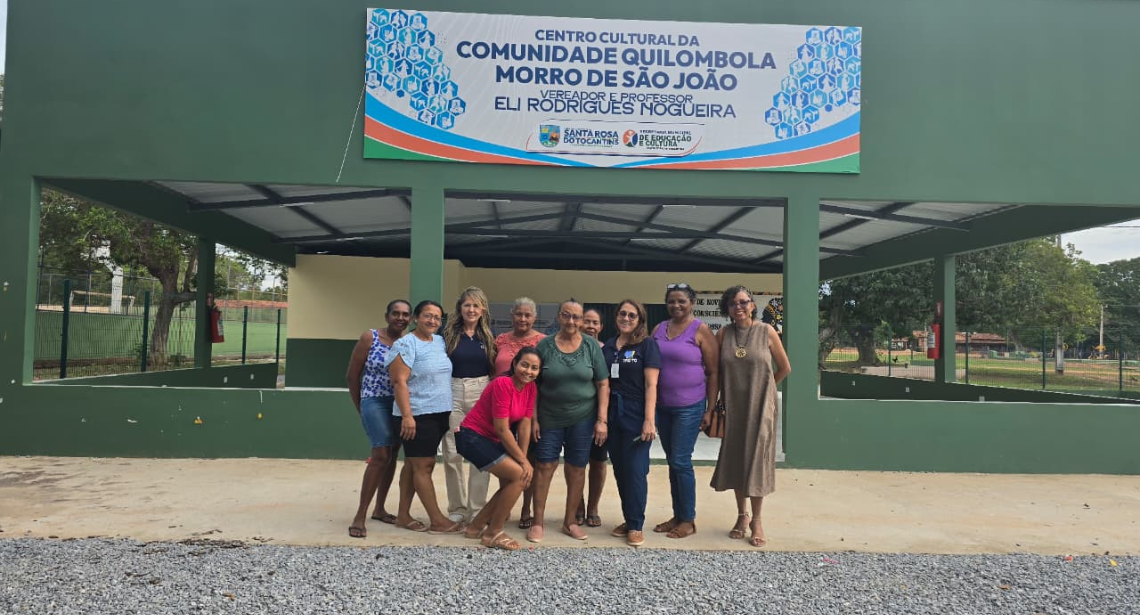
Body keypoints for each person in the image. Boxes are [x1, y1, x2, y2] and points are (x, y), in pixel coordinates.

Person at [709, 286, 791, 548]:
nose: (739, 307)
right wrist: (713, 405)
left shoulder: (767, 331)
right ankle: (741, 515)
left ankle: (757, 519)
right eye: (733, 303)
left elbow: (785, 367)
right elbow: (715, 372)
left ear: (753, 305)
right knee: (737, 457)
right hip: (733, 406)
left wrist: (766, 389)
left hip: (761, 406)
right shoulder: (723, 334)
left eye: (743, 302)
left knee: (757, 459)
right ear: (727, 308)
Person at [529, 299, 609, 542]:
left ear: (582, 320)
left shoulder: (591, 346)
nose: (571, 321)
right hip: (549, 417)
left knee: (576, 468)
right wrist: (533, 419)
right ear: (559, 317)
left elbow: (602, 384)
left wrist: (602, 420)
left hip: (583, 418)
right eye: (566, 315)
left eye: (576, 317)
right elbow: (533, 385)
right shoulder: (544, 345)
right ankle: (538, 522)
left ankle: (570, 521)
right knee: (544, 466)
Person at [385, 300, 463, 534]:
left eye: (437, 317)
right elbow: (399, 382)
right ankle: (437, 520)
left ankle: (403, 515)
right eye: (427, 316)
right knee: (424, 466)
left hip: (439, 414)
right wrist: (407, 417)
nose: (432, 321)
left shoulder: (438, 341)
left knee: (412, 464)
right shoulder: (405, 344)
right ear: (416, 318)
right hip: (417, 415)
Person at [650, 283, 719, 539]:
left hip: (689, 407)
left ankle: (688, 519)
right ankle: (678, 515)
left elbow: (714, 372)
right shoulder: (658, 329)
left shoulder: (701, 330)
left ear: (692, 302)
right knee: (673, 462)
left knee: (680, 460)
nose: (676, 305)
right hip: (662, 407)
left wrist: (710, 409)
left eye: (682, 301)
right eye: (671, 301)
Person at [455, 347, 541, 550]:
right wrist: (523, 462)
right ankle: (493, 532)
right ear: (515, 364)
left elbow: (525, 424)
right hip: (472, 437)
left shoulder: (530, 388)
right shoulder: (503, 384)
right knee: (519, 476)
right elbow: (502, 429)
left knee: (517, 477)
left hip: (490, 440)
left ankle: (475, 528)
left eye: (534, 368)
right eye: (524, 365)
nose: (528, 371)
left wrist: (523, 458)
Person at [345, 299, 412, 538]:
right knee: (381, 453)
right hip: (373, 400)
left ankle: (380, 509)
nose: (400, 318)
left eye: (405, 314)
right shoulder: (370, 338)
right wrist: (361, 406)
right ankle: (360, 515)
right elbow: (352, 376)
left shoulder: (408, 342)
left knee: (392, 454)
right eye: (396, 313)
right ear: (387, 316)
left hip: (398, 403)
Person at [602, 299, 660, 547]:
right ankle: (629, 518)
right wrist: (602, 419)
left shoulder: (647, 345)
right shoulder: (608, 346)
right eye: (622, 314)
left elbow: (651, 385)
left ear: (640, 320)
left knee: (636, 470)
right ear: (616, 316)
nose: (626, 318)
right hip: (613, 413)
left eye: (632, 315)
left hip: (637, 413)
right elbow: (603, 384)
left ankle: (636, 525)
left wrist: (649, 420)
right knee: (620, 469)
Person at [441, 287, 496, 523]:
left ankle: (476, 510)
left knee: (479, 451)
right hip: (452, 390)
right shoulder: (448, 335)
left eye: (476, 305)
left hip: (481, 390)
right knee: (452, 452)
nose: (471, 310)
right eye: (467, 305)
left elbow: (493, 368)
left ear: (482, 309)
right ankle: (457, 508)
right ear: (460, 308)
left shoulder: (488, 336)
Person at [494, 297, 546, 530]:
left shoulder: (542, 342)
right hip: (501, 410)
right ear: (511, 315)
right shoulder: (500, 340)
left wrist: (535, 417)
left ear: (535, 318)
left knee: (528, 460)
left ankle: (526, 509)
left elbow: (540, 381)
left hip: (528, 410)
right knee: (503, 461)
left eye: (527, 315)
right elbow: (492, 371)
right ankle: (504, 506)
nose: (523, 319)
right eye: (519, 314)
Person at [575, 308, 608, 528]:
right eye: (586, 321)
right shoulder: (570, 348)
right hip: (576, 415)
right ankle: (577, 505)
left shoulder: (608, 350)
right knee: (576, 462)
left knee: (598, 461)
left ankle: (593, 507)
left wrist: (603, 418)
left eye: (595, 322)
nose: (590, 326)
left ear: (601, 327)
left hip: (600, 415)